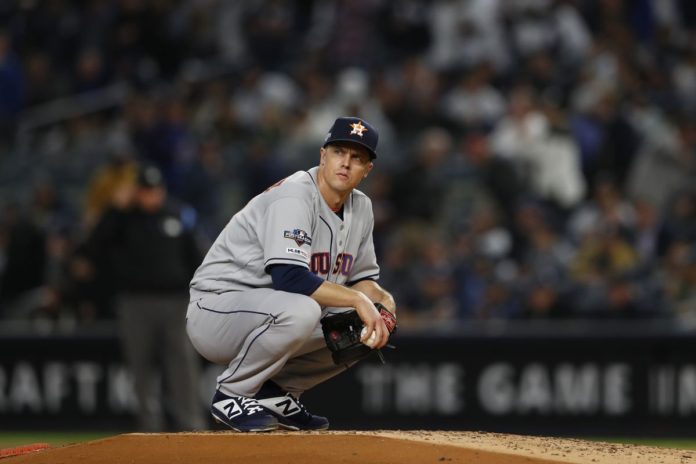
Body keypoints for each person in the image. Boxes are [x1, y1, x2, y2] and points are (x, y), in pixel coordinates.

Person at [186, 116, 397, 432]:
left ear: (367, 170)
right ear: (323, 155)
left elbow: (361, 281)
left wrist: (381, 301)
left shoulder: (362, 208)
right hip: (216, 309)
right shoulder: (295, 195)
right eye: (339, 152)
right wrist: (358, 300)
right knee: (305, 309)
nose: (346, 162)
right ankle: (231, 393)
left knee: (368, 321)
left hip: (268, 312)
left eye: (357, 158)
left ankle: (277, 392)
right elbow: (290, 277)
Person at [80, 163, 205, 431]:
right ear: (136, 192)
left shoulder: (178, 213)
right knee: (141, 367)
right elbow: (93, 248)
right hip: (134, 302)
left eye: (154, 190)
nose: (150, 196)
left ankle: (192, 426)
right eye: (145, 190)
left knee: (182, 365)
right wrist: (114, 208)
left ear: (161, 190)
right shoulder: (122, 219)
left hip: (175, 301)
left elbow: (199, 258)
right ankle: (149, 430)